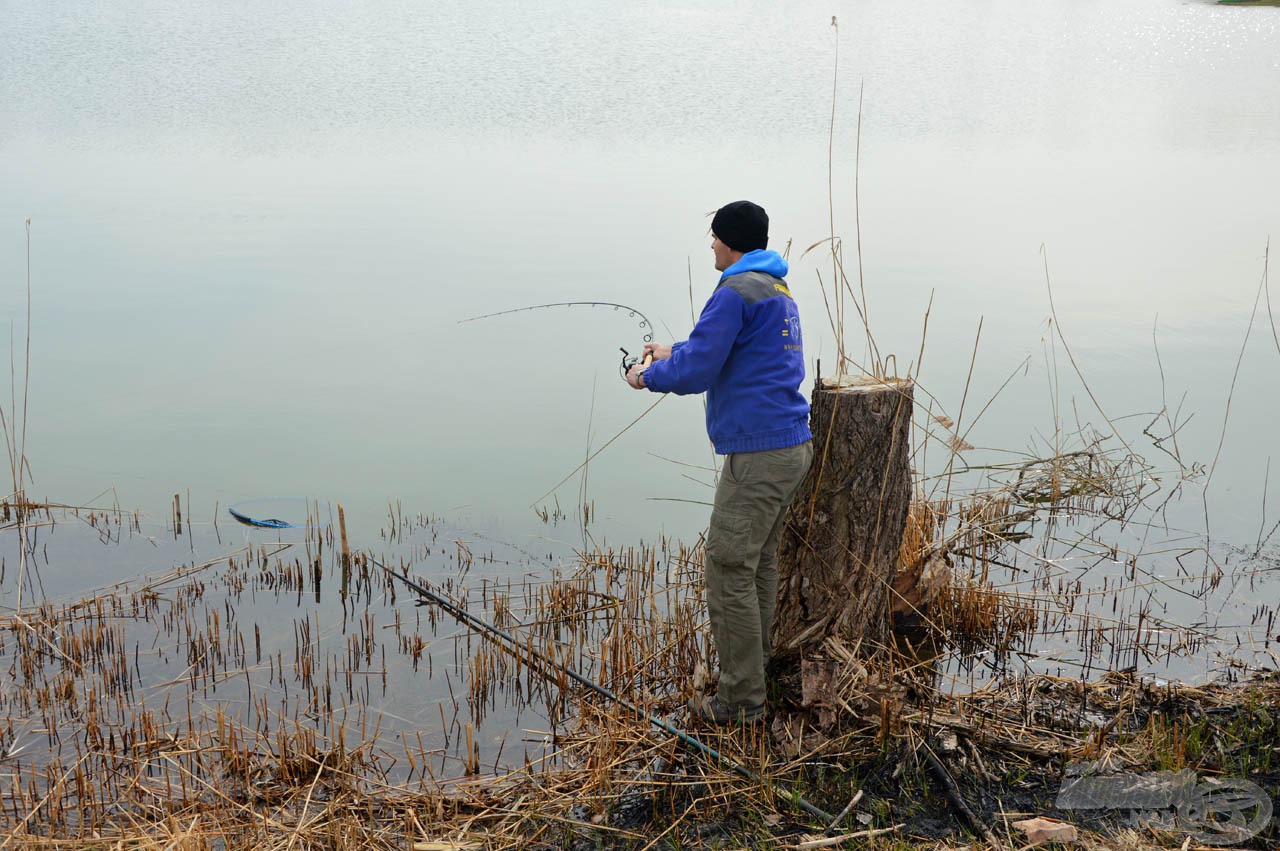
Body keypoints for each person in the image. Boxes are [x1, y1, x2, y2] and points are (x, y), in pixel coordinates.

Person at [625, 200, 813, 725]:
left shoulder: (733, 291)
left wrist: (645, 377)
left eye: (713, 238)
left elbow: (699, 371)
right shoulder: (776, 289)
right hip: (792, 446)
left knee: (728, 566)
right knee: (758, 565)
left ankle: (741, 702)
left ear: (730, 242)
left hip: (757, 456)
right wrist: (672, 350)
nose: (710, 245)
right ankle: (755, 676)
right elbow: (724, 351)